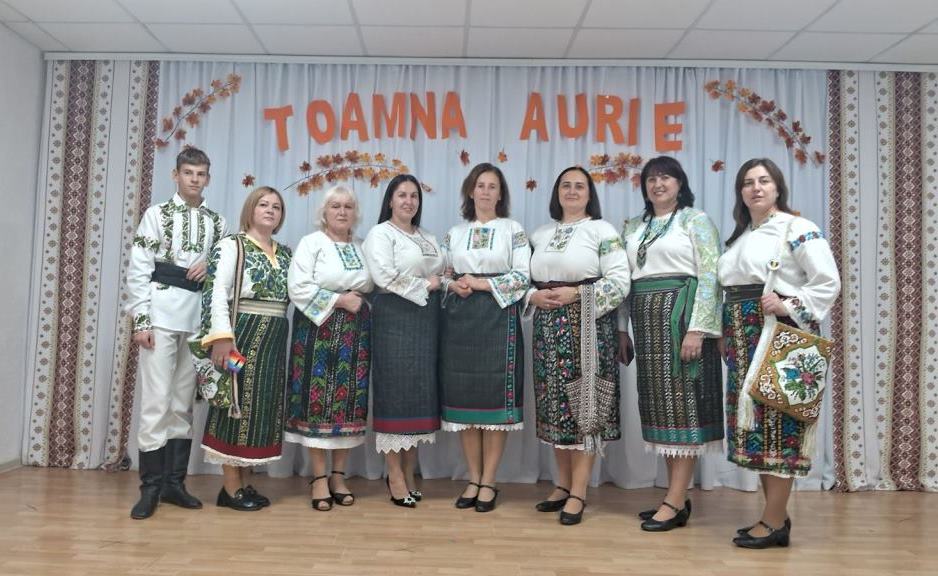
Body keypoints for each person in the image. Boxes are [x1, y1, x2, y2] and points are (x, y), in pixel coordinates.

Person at [718, 158, 840, 548]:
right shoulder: (742, 236)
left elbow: (828, 281)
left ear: (777, 188)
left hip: (779, 335)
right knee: (757, 429)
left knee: (779, 426)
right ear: (740, 192)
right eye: (748, 182)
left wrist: (789, 304)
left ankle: (772, 522)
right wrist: (724, 331)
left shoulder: (797, 227)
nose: (756, 188)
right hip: (743, 335)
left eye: (764, 181)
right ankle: (775, 517)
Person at [619, 156, 723, 531]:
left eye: (666, 177)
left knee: (684, 408)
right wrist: (621, 328)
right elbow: (624, 279)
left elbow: (711, 275)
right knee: (661, 411)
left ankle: (674, 499)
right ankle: (676, 497)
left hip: (682, 320)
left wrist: (698, 329)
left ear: (680, 183)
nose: (658, 184)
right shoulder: (634, 226)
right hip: (646, 323)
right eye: (651, 178)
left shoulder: (695, 220)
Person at [125, 146, 226, 520]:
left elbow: (224, 271)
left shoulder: (218, 222)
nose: (194, 179)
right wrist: (141, 321)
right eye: (188, 173)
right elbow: (140, 267)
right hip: (161, 315)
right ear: (176, 175)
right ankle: (149, 488)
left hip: (196, 320)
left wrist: (210, 265)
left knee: (183, 403)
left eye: (200, 174)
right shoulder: (157, 214)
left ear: (208, 178)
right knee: (156, 401)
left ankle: (173, 484)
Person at [527, 166, 631, 525]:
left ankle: (579, 491)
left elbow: (619, 280)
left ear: (589, 194)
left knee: (584, 403)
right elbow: (526, 279)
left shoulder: (602, 230)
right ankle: (562, 483)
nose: (572, 191)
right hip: (546, 327)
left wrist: (579, 295)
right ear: (557, 192)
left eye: (579, 186)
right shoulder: (541, 234)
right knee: (554, 406)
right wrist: (534, 296)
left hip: (587, 324)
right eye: (565, 185)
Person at [191, 186, 292, 511]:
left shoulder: (285, 253)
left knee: (260, 406)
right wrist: (221, 338)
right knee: (233, 400)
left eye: (276, 206)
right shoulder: (231, 245)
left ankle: (245, 483)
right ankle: (230, 487)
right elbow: (216, 292)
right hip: (240, 336)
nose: (270, 210)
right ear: (250, 209)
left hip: (273, 339)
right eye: (263, 204)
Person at [440, 163, 530, 512]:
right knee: (465, 402)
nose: (486, 192)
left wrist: (480, 283)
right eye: (481, 185)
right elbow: (444, 273)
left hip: (498, 316)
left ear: (501, 193)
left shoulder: (513, 230)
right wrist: (454, 284)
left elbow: (522, 276)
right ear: (470, 190)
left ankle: (489, 480)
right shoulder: (455, 233)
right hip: (460, 319)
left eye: (493, 186)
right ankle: (473, 478)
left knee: (494, 401)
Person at [285, 186, 373, 511]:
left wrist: (357, 301)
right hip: (316, 331)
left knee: (348, 402)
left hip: (355, 332)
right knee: (317, 401)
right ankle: (319, 478)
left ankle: (338, 476)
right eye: (335, 206)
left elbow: (372, 284)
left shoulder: (362, 247)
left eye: (348, 206)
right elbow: (297, 286)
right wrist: (338, 300)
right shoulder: (312, 244)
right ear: (324, 212)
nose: (342, 211)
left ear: (355, 213)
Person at [363, 174, 444, 508]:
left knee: (418, 394)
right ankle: (394, 474)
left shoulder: (427, 236)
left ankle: (410, 470)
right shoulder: (380, 234)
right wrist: (426, 284)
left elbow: (442, 272)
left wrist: (438, 282)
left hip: (426, 321)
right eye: (402, 195)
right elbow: (384, 277)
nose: (408, 201)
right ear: (390, 200)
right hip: (394, 318)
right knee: (395, 392)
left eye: (414, 196)